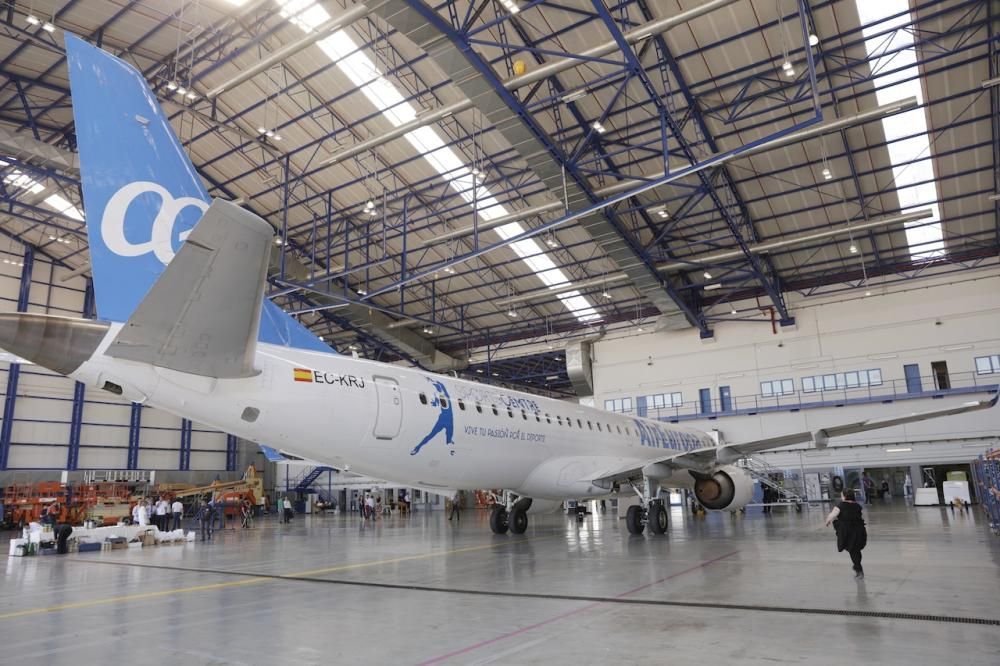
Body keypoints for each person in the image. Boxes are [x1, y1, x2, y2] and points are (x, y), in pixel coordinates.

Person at [825, 488, 868, 579]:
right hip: (859, 530)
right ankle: (857, 566)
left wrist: (828, 521)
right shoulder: (857, 505)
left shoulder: (841, 505)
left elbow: (832, 515)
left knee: (853, 550)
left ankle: (858, 569)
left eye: (841, 495)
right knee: (855, 550)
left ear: (844, 496)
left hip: (848, 532)